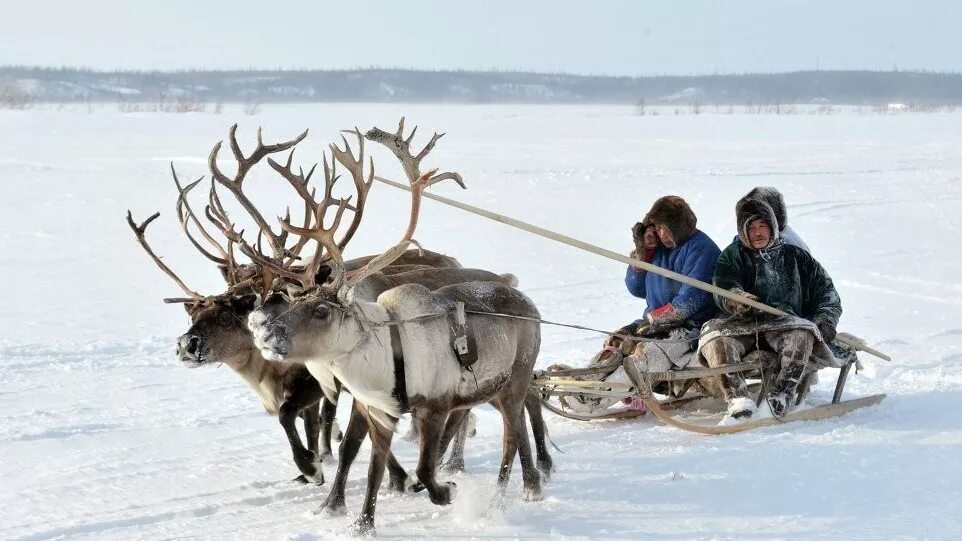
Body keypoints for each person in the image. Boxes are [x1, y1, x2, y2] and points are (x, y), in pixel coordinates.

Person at [547, 196, 721, 414]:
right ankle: (586, 379)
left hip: (689, 328)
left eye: (667, 229)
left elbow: (688, 302)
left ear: (680, 227)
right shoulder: (657, 249)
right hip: (656, 322)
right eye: (657, 228)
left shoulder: (702, 249)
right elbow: (636, 288)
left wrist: (653, 321)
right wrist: (642, 256)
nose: (662, 235)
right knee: (619, 340)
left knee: (646, 354)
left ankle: (595, 399)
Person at [698, 196, 843, 419]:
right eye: (752, 227)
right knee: (715, 338)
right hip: (739, 323)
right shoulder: (732, 255)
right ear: (742, 230)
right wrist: (737, 299)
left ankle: (781, 394)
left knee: (803, 333)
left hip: (783, 323)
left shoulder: (797, 257)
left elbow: (828, 295)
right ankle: (738, 399)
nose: (757, 233)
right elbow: (723, 286)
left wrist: (825, 320)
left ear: (773, 226)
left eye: (762, 226)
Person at [735, 187, 810, 252]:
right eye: (750, 226)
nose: (756, 232)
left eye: (762, 225)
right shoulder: (739, 242)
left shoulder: (793, 249)